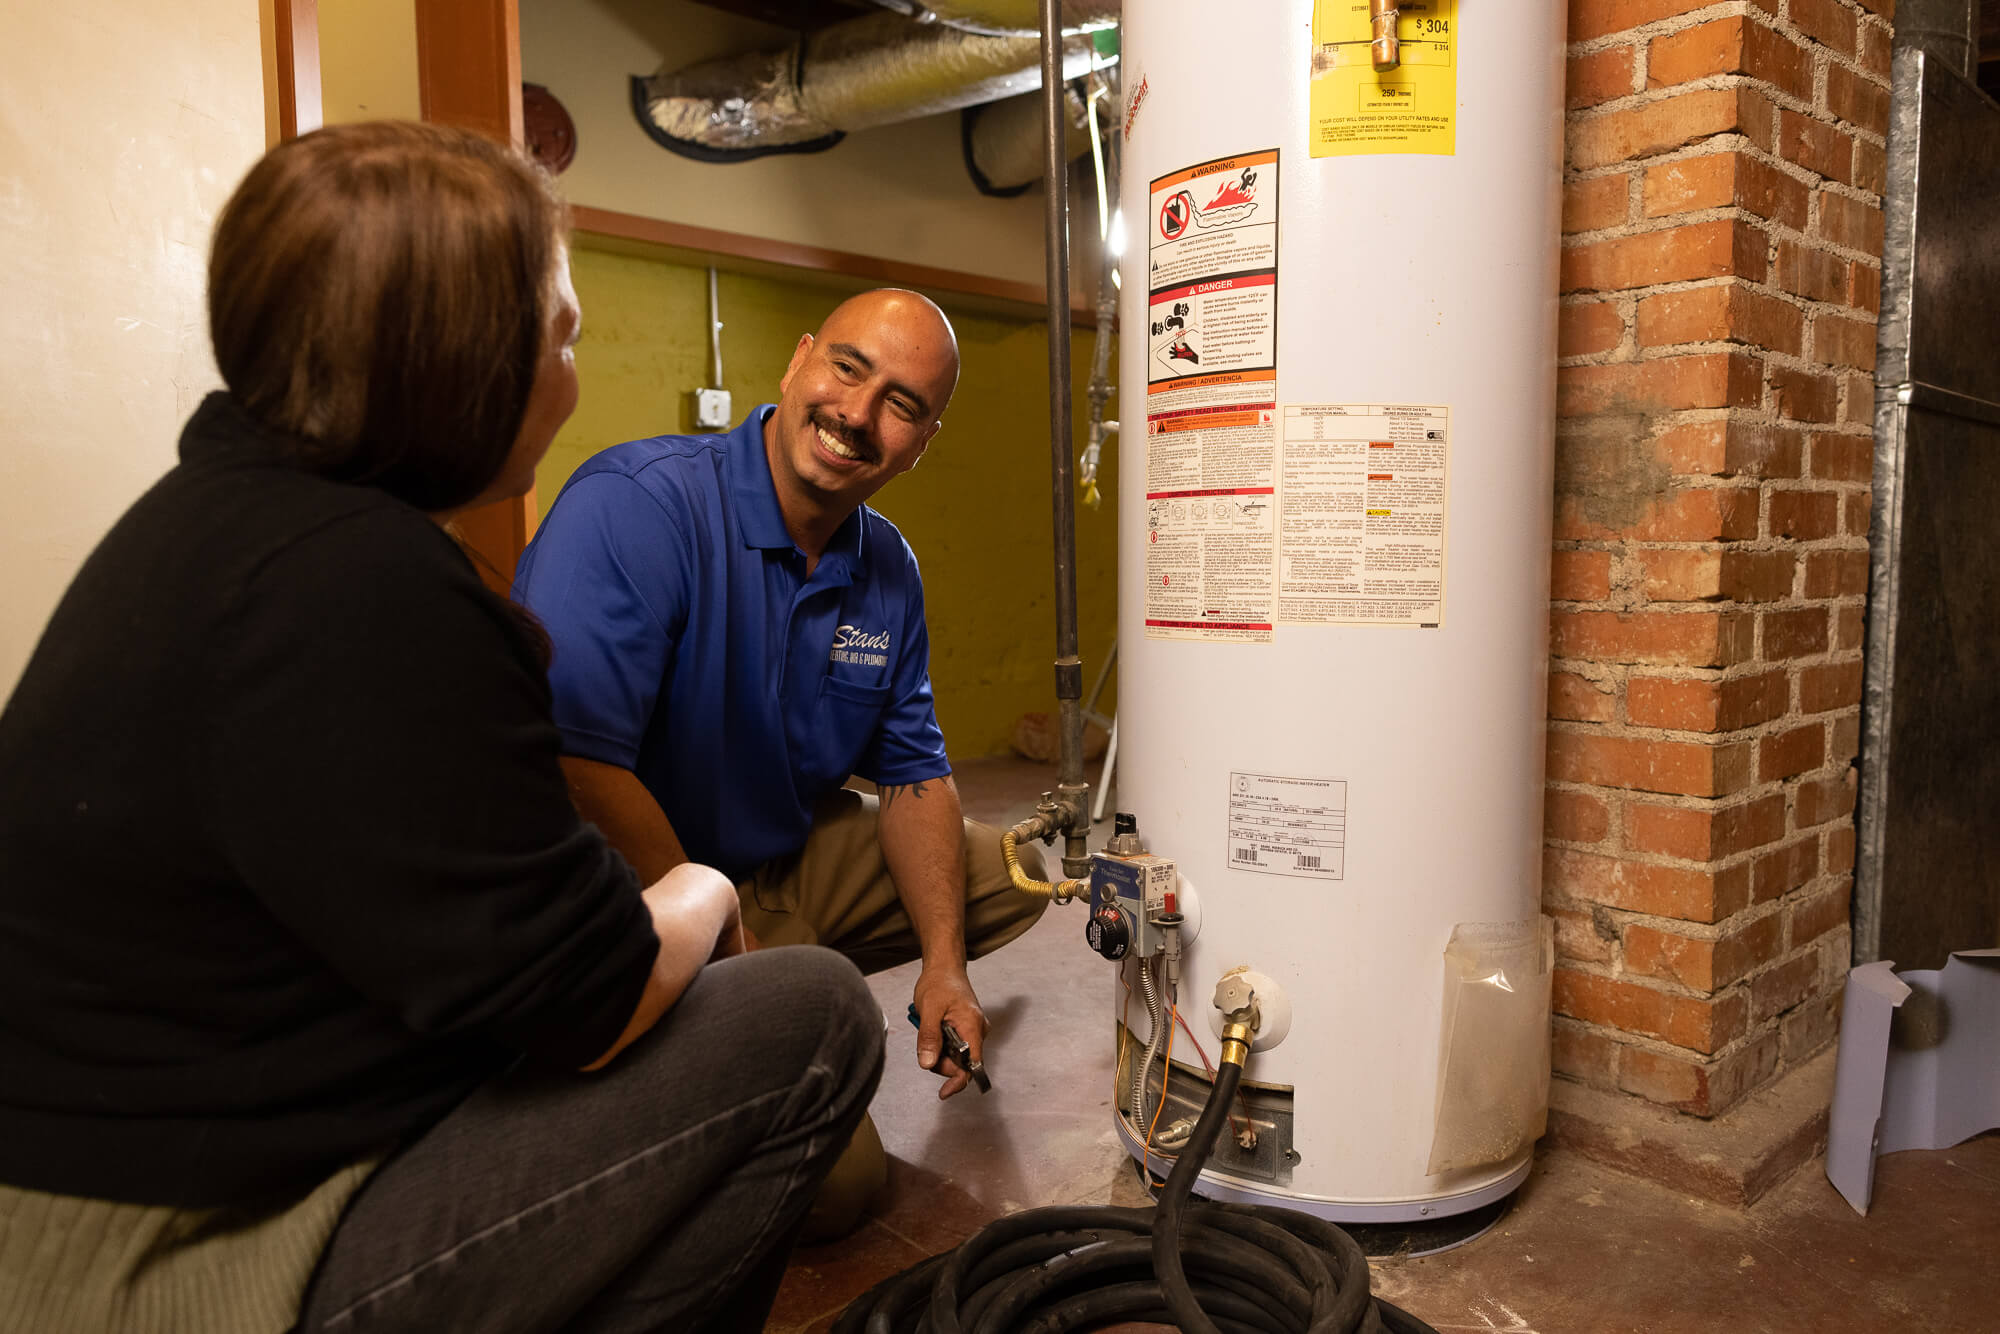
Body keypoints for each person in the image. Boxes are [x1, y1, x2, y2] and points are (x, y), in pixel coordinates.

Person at [0, 121, 880, 1334]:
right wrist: (704, 886)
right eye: (561, 337)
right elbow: (590, 997)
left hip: (122, 1166)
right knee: (814, 1011)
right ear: (471, 362)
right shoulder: (372, 590)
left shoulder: (210, 525)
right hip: (170, 1259)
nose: (569, 380)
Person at [511, 289, 1050, 1226]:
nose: (857, 413)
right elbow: (575, 761)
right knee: (836, 1196)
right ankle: (690, 1042)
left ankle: (779, 976)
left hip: (770, 860)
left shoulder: (886, 566)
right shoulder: (638, 507)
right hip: (624, 890)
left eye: (903, 404)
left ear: (922, 442)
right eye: (848, 368)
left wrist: (943, 968)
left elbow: (914, 772)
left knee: (1010, 875)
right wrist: (720, 942)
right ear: (801, 359)